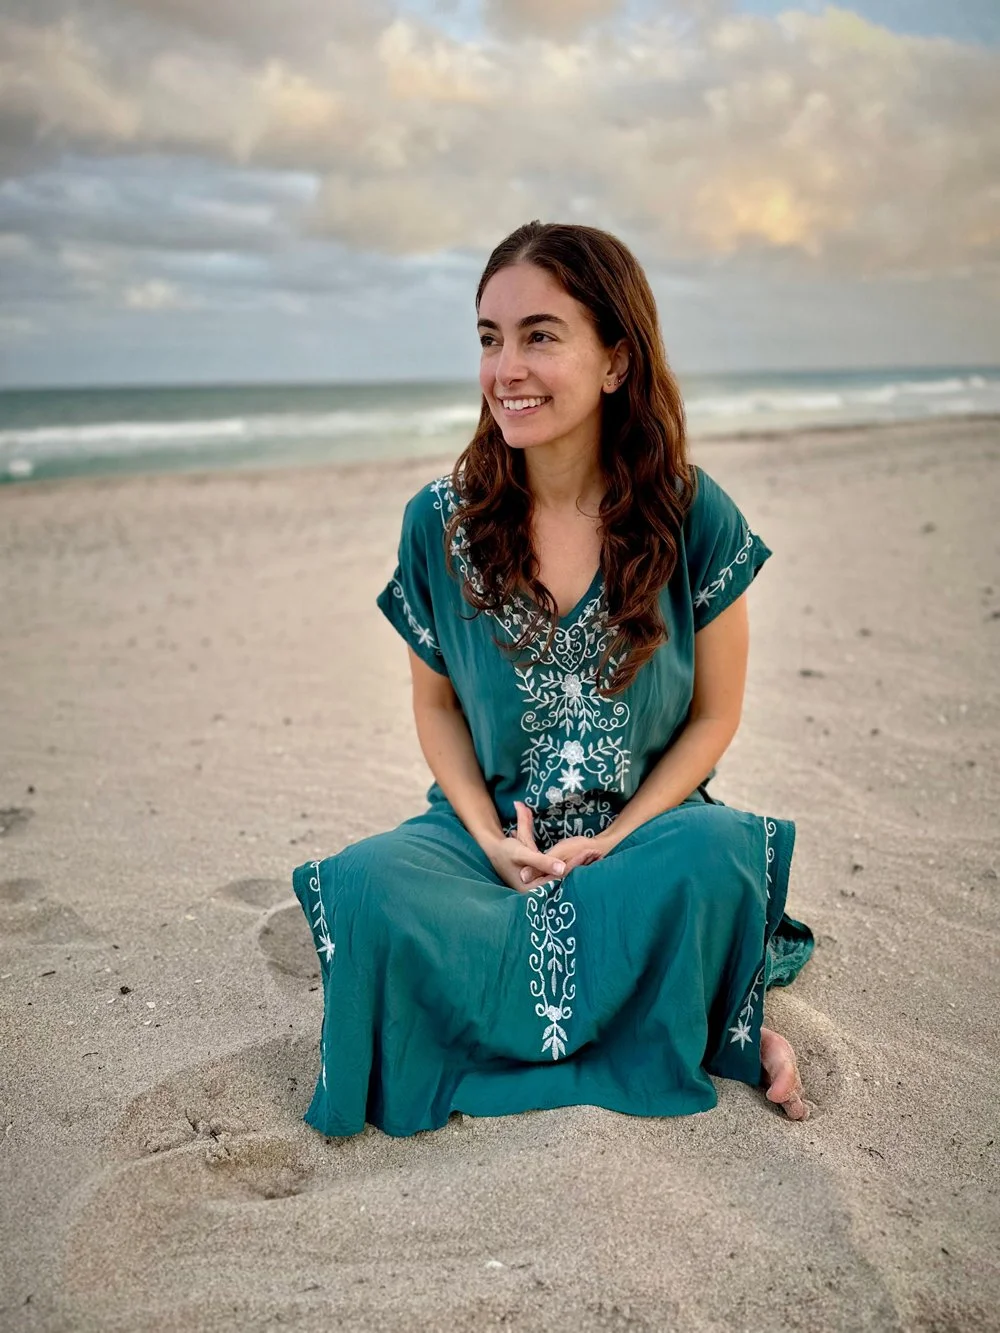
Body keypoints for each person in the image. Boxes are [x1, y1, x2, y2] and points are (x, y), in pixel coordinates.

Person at [292, 220, 814, 1139]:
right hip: (489, 846)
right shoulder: (440, 524)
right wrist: (490, 839)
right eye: (490, 339)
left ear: (616, 359)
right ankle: (672, 1016)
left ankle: (718, 1020)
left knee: (723, 854)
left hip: (651, 838)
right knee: (368, 883)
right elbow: (436, 705)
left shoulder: (694, 514)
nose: (507, 369)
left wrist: (615, 836)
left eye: (540, 334)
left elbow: (715, 718)